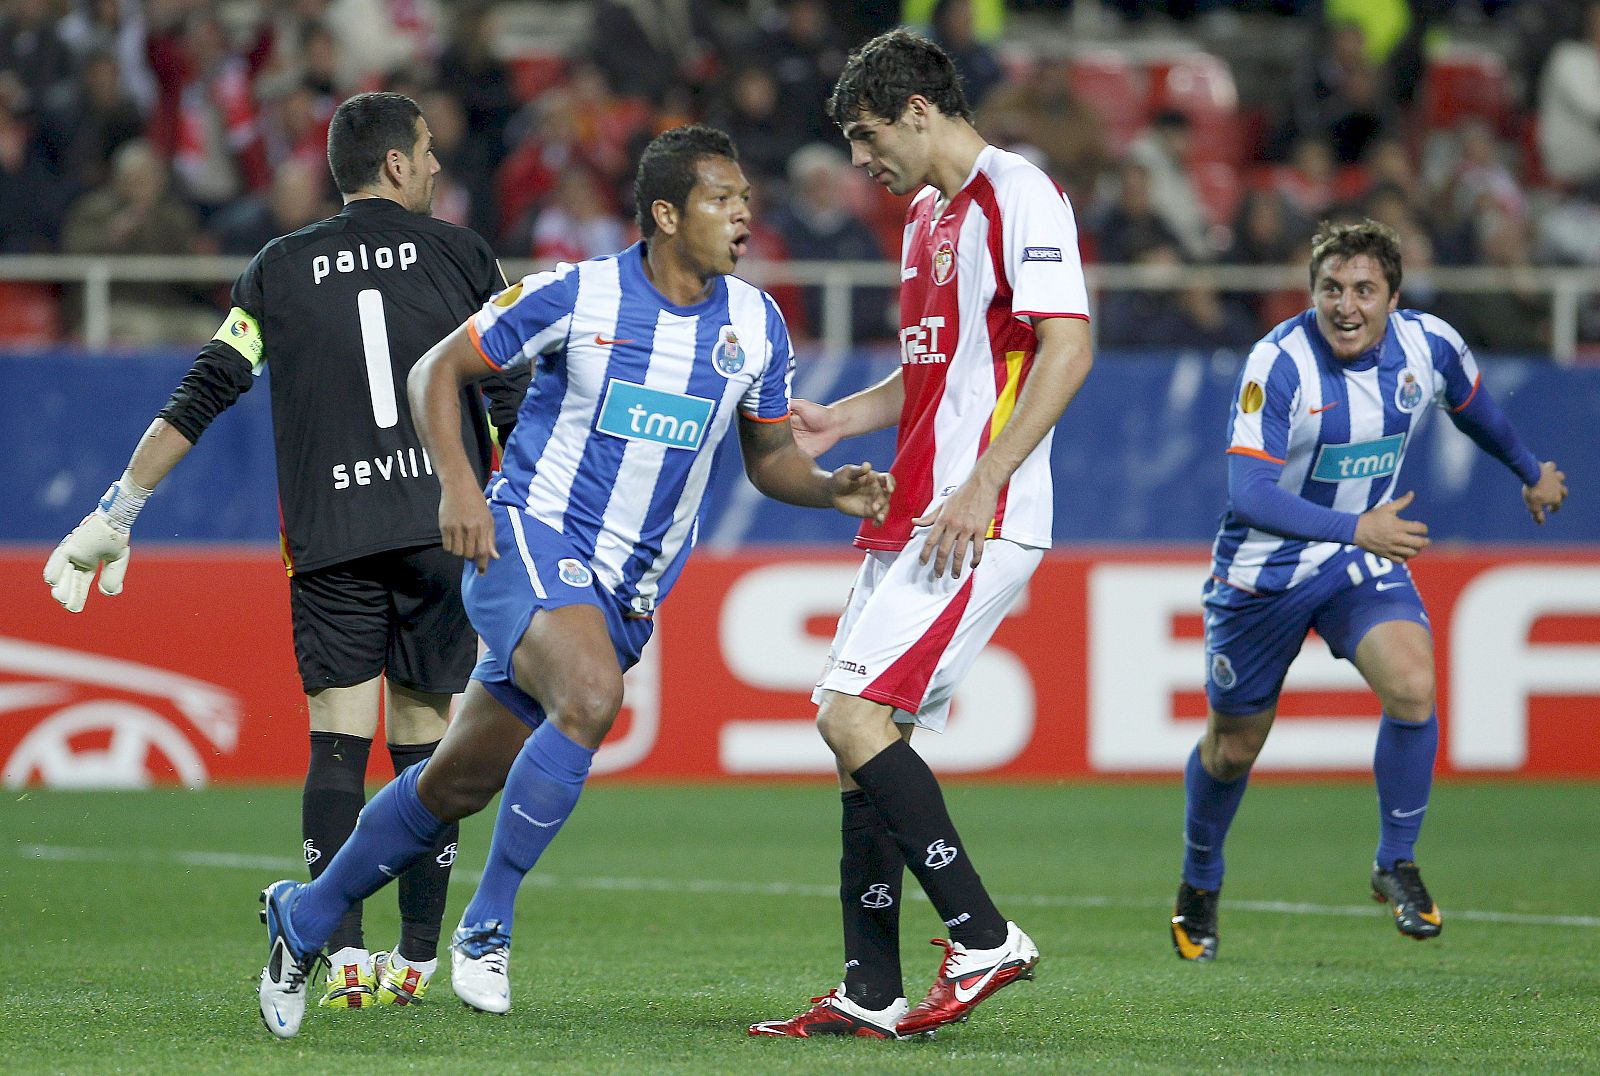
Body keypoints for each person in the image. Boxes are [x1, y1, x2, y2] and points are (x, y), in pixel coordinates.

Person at [250, 123, 892, 1039]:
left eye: (746, 196)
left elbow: (771, 457)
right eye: (723, 198)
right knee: (590, 695)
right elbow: (439, 366)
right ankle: (487, 926)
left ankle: (304, 916)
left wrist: (829, 491)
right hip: (526, 534)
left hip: (625, 593)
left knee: (455, 783)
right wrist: (461, 488)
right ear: (666, 214)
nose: (745, 213)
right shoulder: (574, 292)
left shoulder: (757, 325)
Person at [44, 91, 525, 1011]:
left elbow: (207, 386)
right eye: (425, 153)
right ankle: (417, 961)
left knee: (338, 743)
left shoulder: (277, 268)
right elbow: (511, 399)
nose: (433, 167)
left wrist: (122, 506)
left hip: (332, 536)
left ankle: (339, 954)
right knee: (428, 751)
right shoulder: (464, 255)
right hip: (441, 532)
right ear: (394, 164)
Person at [749, 29, 1094, 1040]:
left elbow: (1066, 348)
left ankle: (984, 934)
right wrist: (840, 418)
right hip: (919, 512)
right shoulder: (928, 218)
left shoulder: (1016, 191)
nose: (860, 162)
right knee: (864, 747)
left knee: (847, 711)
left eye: (864, 136)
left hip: (975, 516)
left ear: (914, 110)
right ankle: (871, 987)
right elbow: (936, 370)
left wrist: (984, 481)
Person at [1170, 218, 1569, 963]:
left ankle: (1395, 860)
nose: (1345, 306)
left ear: (1393, 297)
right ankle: (1200, 879)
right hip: (1266, 571)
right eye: (1331, 289)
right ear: (1311, 292)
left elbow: (1475, 406)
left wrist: (1529, 471)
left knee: (1414, 687)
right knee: (1233, 747)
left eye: (1363, 290)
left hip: (1358, 557)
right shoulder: (1277, 364)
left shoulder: (1430, 345)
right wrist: (1359, 531)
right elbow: (1249, 493)